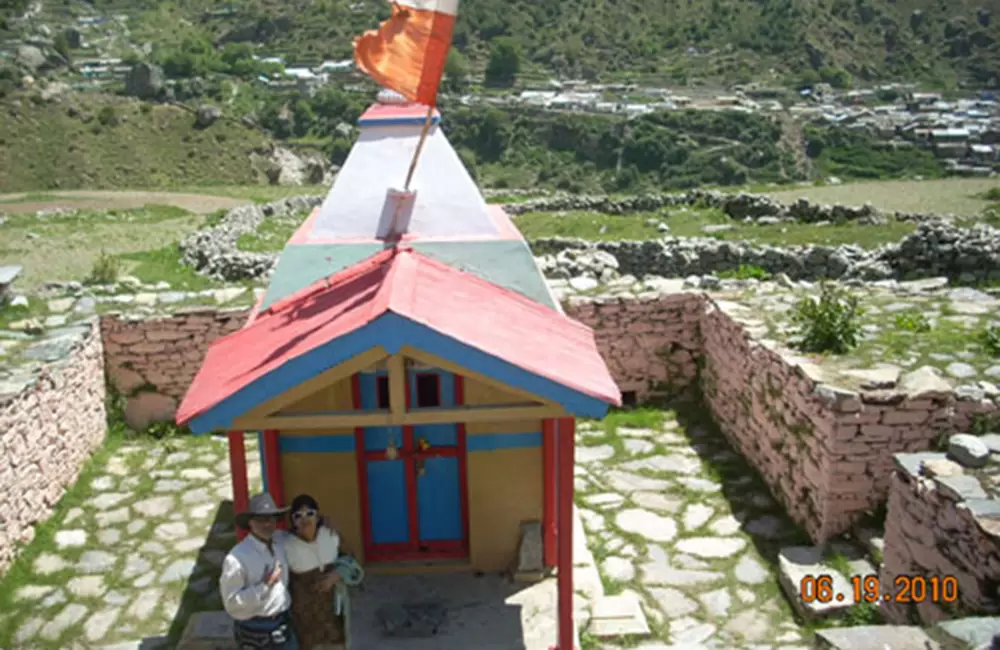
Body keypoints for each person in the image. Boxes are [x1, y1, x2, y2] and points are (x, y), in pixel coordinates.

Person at [220, 492, 300, 649]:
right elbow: (231, 603)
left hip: (283, 623)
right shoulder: (237, 558)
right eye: (261, 519)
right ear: (250, 522)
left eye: (271, 518)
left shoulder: (280, 541)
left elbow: (305, 536)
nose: (268, 524)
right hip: (254, 629)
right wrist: (265, 585)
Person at [284, 494, 345, 650]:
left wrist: (337, 574)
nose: (305, 519)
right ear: (293, 521)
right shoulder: (285, 545)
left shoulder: (330, 536)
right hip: (305, 619)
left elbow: (349, 561)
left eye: (310, 513)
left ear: (318, 517)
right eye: (298, 516)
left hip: (333, 614)